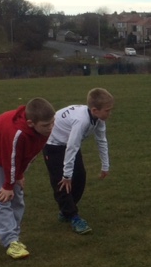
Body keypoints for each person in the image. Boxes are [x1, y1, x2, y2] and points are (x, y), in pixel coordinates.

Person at [0, 98, 56, 259]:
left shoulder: (43, 130)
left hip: (13, 157)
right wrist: (8, 184)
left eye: (52, 122)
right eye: (45, 125)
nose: (50, 128)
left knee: (17, 196)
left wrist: (19, 175)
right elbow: (11, 158)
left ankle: (14, 234)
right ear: (30, 123)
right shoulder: (18, 133)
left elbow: (29, 154)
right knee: (2, 197)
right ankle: (11, 241)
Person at [43, 88, 114, 234]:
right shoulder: (81, 121)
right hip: (53, 145)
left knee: (80, 177)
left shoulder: (98, 119)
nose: (109, 113)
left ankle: (66, 210)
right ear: (95, 110)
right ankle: (73, 216)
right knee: (62, 183)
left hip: (68, 145)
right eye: (107, 110)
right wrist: (67, 176)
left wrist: (105, 165)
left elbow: (101, 140)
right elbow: (72, 146)